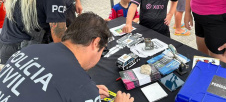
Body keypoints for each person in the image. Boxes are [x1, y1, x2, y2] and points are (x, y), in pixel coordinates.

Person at [0, 12, 134, 102]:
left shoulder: (29, 49)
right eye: (102, 50)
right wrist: (85, 92)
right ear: (96, 43)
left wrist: (82, 93)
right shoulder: (82, 87)